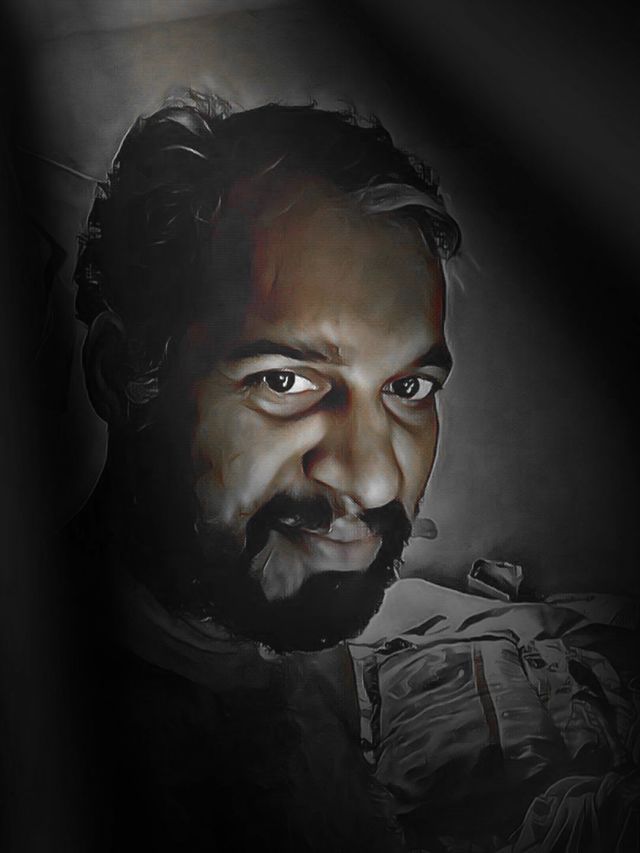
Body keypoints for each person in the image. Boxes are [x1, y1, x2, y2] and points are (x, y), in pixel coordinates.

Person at [71, 94, 639, 852]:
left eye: (408, 387)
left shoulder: (286, 626)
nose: (372, 482)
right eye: (284, 380)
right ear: (120, 374)